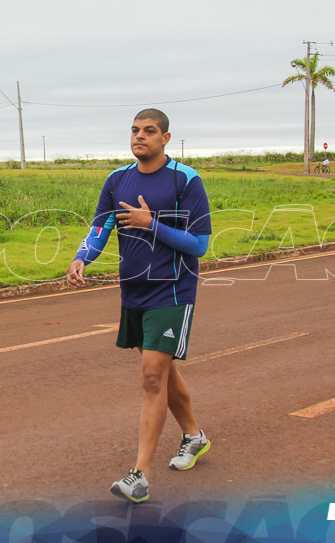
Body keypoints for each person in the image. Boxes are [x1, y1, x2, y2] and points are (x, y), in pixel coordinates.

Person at [66, 109, 212, 504]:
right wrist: (83, 257)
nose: (140, 137)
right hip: (133, 290)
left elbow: (200, 244)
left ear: (166, 138)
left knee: (151, 375)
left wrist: (152, 224)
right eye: (135, 130)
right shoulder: (117, 180)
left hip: (173, 291)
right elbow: (100, 226)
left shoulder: (186, 180)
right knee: (161, 370)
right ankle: (194, 436)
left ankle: (140, 475)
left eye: (149, 131)